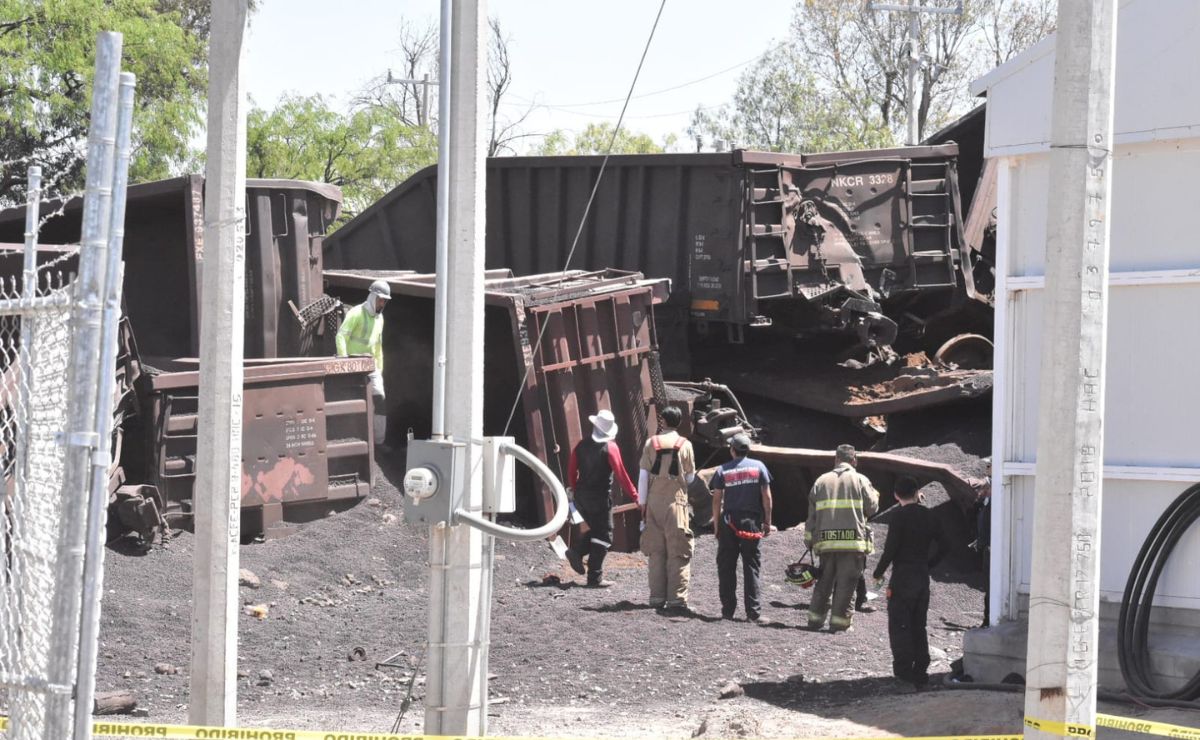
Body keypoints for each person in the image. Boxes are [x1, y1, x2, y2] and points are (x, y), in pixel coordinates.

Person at [871, 476, 952, 687]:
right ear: (917, 492)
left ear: (896, 495)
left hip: (902, 577)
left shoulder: (898, 517)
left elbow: (890, 550)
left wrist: (878, 573)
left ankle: (904, 671)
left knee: (899, 625)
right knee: (919, 624)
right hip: (921, 577)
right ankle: (921, 668)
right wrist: (929, 564)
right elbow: (945, 545)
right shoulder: (930, 515)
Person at [805, 444, 879, 632]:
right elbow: (872, 508)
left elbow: (812, 516)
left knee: (824, 583)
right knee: (847, 585)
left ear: (836, 459)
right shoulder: (861, 480)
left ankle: (814, 621)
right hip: (852, 543)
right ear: (854, 460)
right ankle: (839, 624)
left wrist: (809, 540)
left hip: (826, 543)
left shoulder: (821, 481)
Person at [566, 409, 638, 588]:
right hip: (599, 499)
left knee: (599, 530)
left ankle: (577, 552)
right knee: (605, 535)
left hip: (582, 497)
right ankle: (593, 576)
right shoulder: (611, 448)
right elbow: (622, 475)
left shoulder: (581, 445)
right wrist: (636, 496)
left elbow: (571, 470)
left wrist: (575, 490)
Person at [637, 405, 697, 614]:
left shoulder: (650, 443)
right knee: (678, 551)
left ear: (662, 420)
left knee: (656, 551)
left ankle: (656, 597)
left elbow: (643, 476)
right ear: (679, 422)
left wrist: (642, 504)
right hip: (676, 502)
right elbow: (690, 477)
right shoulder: (685, 444)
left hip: (653, 501)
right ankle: (676, 599)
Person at [711, 433, 773, 624]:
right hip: (751, 522)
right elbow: (767, 497)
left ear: (732, 450)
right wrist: (767, 522)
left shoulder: (723, 470)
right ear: (748, 449)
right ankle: (753, 613)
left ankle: (727, 611)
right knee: (751, 566)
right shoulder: (759, 467)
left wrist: (716, 525)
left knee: (726, 566)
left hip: (729, 521)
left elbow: (717, 499)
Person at [336, 279, 391, 447]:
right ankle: (352, 437)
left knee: (379, 399)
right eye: (380, 299)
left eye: (385, 300)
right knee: (354, 400)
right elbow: (341, 336)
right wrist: (344, 361)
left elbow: (378, 346)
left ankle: (379, 442)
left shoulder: (379, 319)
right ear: (372, 297)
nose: (382, 303)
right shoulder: (356, 313)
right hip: (353, 364)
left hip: (370, 365)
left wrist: (379, 369)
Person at [970, 458, 993, 627]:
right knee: (988, 586)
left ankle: (989, 619)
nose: (986, 469)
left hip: (993, 547)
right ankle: (987, 618)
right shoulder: (986, 499)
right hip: (986, 545)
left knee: (991, 587)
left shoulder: (999, 497)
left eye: (989, 466)